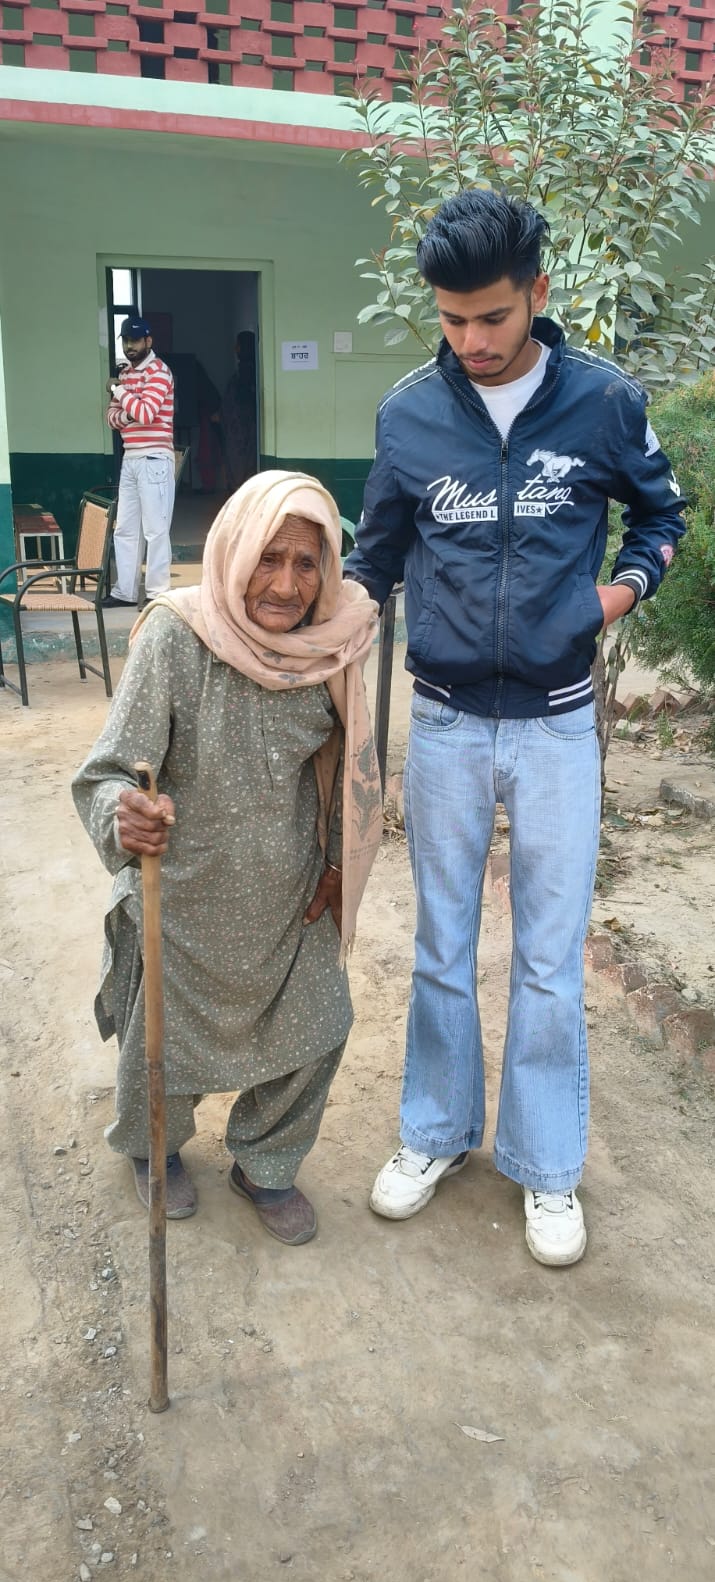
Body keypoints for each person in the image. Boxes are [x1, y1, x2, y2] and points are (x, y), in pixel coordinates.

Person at [344, 189, 686, 1266]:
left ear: (536, 292)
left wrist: (608, 599)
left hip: (556, 728)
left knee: (547, 957)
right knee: (440, 946)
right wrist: (311, 625)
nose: (472, 341)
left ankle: (545, 1166)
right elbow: (374, 554)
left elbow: (661, 515)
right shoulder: (408, 415)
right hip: (444, 725)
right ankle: (435, 1133)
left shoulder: (603, 402)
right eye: (451, 320)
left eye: (491, 316)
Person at [73, 471, 381, 1245]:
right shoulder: (176, 636)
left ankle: (265, 1162)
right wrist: (124, 814)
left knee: (322, 1026)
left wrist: (337, 865)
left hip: (287, 896)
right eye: (267, 558)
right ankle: (154, 1148)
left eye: (305, 563)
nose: (284, 585)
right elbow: (109, 772)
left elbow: (350, 769)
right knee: (162, 1047)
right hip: (181, 896)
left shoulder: (333, 645)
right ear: (233, 551)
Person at [104, 314, 175, 609]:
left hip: (154, 458)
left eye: (135, 341)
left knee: (155, 530)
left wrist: (118, 391)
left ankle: (157, 593)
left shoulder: (159, 371)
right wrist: (129, 411)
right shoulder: (126, 374)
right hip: (131, 457)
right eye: (126, 341)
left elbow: (145, 414)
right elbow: (111, 418)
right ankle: (125, 591)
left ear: (148, 341)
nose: (129, 346)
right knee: (125, 529)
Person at [221, 330, 258, 495]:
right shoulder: (245, 370)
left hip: (240, 431)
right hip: (238, 429)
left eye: (238, 345)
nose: (235, 349)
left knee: (240, 466)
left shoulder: (247, 372)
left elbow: (241, 404)